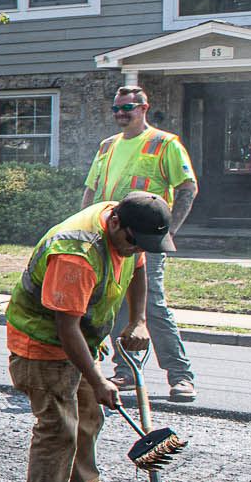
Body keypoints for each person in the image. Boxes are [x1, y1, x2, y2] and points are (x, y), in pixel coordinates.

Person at [5, 191, 172, 482]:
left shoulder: (129, 232)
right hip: (43, 346)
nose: (134, 250)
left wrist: (139, 321)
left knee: (88, 421)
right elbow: (66, 328)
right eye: (133, 242)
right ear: (115, 224)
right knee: (59, 428)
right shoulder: (77, 254)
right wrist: (98, 379)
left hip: (82, 342)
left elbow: (137, 269)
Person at [84, 85, 199, 402]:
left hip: (145, 239)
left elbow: (187, 188)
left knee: (151, 305)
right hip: (110, 236)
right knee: (116, 302)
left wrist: (168, 232)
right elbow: (91, 192)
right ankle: (127, 371)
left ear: (144, 108)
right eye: (116, 109)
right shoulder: (107, 146)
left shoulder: (165, 144)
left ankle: (180, 376)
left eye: (128, 108)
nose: (121, 114)